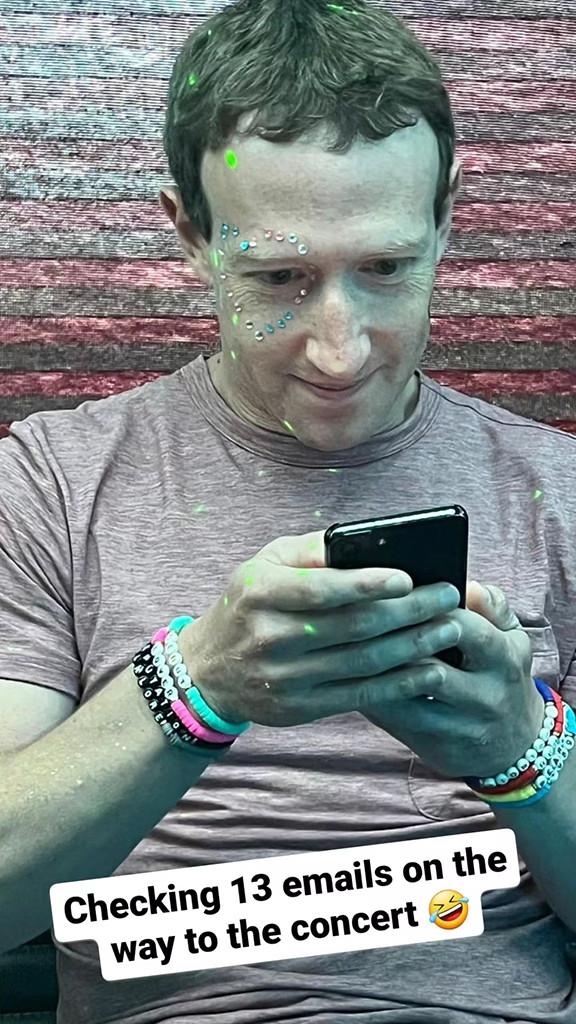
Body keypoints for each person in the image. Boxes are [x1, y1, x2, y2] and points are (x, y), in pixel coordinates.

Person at [0, 0, 575, 1021]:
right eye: (277, 278)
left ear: (447, 217)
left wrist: (522, 746)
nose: (339, 351)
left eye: (387, 268)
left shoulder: (557, 488)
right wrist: (194, 690)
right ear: (190, 234)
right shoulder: (51, 480)